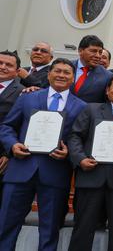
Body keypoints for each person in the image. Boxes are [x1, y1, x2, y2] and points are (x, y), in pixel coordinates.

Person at [0, 58, 87, 251]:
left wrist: (69, 153)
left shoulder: (82, 106)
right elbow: (6, 126)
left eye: (66, 72)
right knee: (5, 225)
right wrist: (13, 146)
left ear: (73, 78)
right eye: (57, 71)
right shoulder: (27, 97)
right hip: (20, 170)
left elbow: (79, 139)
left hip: (55, 173)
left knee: (49, 230)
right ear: (48, 74)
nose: (61, 75)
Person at [67, 75, 113, 251]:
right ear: (107, 91)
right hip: (91, 176)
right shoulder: (91, 109)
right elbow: (75, 136)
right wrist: (80, 159)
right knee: (83, 228)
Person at [0, 50, 26, 207]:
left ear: (17, 71)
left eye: (8, 65)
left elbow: (19, 125)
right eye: (0, 63)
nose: (2, 67)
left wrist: (7, 153)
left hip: (2, 155)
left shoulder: (23, 92)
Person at [71, 35, 113, 103]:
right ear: (80, 51)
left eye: (100, 52)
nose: (98, 56)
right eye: (93, 51)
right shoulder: (66, 67)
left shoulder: (108, 76)